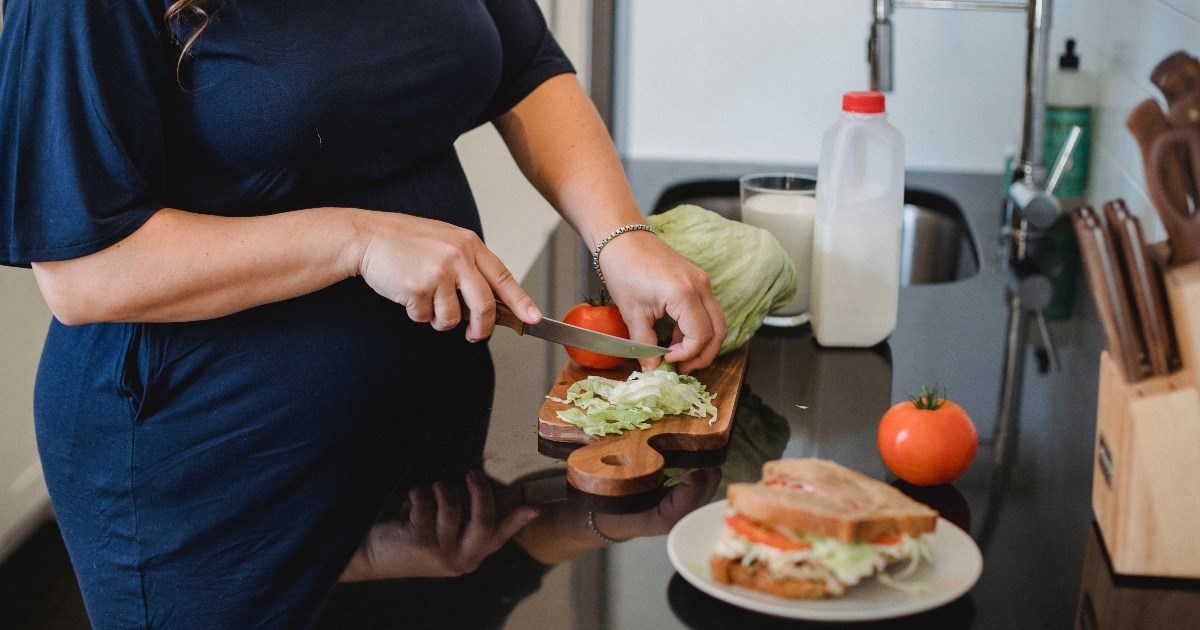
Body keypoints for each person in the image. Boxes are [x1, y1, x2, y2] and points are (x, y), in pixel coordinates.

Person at [0, 1, 726, 627]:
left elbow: (525, 64)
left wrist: (621, 236)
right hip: (212, 478)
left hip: (426, 457)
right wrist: (358, 238)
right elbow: (85, 272)